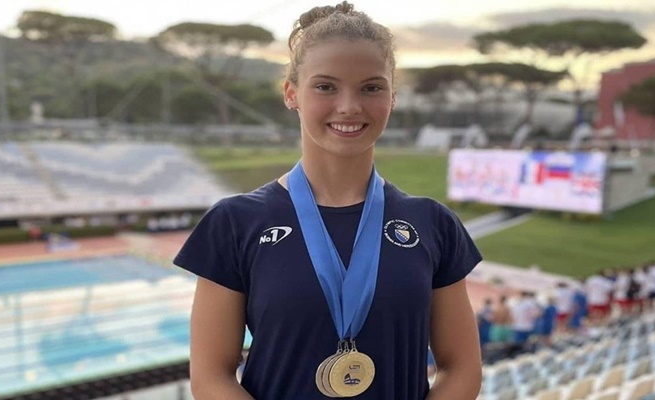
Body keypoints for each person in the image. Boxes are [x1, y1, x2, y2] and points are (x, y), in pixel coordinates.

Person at [172, 2, 483, 399]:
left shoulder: (433, 223)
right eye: (325, 86)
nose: (349, 106)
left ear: (392, 97)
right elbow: (211, 376)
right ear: (292, 94)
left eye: (371, 87)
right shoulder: (235, 222)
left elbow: (461, 369)